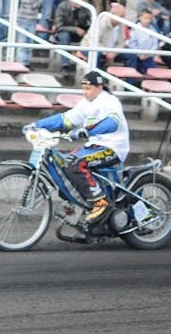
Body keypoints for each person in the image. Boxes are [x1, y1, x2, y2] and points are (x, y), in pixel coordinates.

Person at [25, 71, 130, 223]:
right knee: (66, 162)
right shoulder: (85, 104)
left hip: (113, 148)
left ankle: (100, 202)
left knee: (75, 163)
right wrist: (36, 125)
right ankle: (84, 202)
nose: (84, 92)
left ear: (100, 87)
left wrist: (87, 130)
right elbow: (65, 119)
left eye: (88, 89)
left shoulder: (110, 101)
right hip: (94, 147)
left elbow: (113, 123)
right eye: (83, 88)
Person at [53, 0, 92, 76]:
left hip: (81, 34)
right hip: (64, 32)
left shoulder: (85, 7)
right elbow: (59, 27)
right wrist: (75, 29)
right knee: (64, 36)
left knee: (91, 36)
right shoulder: (62, 6)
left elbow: (89, 24)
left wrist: (83, 10)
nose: (79, 2)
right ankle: (65, 66)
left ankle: (89, 68)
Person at [78, 2, 125, 69]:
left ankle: (129, 79)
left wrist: (114, 53)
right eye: (121, 16)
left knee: (131, 55)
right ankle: (97, 76)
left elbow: (122, 42)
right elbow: (93, 41)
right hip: (89, 47)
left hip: (110, 51)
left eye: (123, 16)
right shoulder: (102, 21)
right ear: (113, 15)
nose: (123, 19)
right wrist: (106, 53)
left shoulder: (121, 24)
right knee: (96, 54)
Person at [16, 0, 43, 68]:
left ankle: (27, 62)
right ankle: (21, 62)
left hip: (32, 20)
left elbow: (36, 5)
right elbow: (17, 4)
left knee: (29, 43)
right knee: (22, 43)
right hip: (22, 20)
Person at [125, 9, 161, 76]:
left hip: (148, 56)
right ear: (140, 18)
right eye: (146, 18)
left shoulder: (153, 30)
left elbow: (154, 44)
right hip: (136, 56)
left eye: (150, 18)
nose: (148, 20)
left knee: (153, 71)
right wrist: (139, 54)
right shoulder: (135, 29)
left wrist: (148, 54)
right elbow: (132, 44)